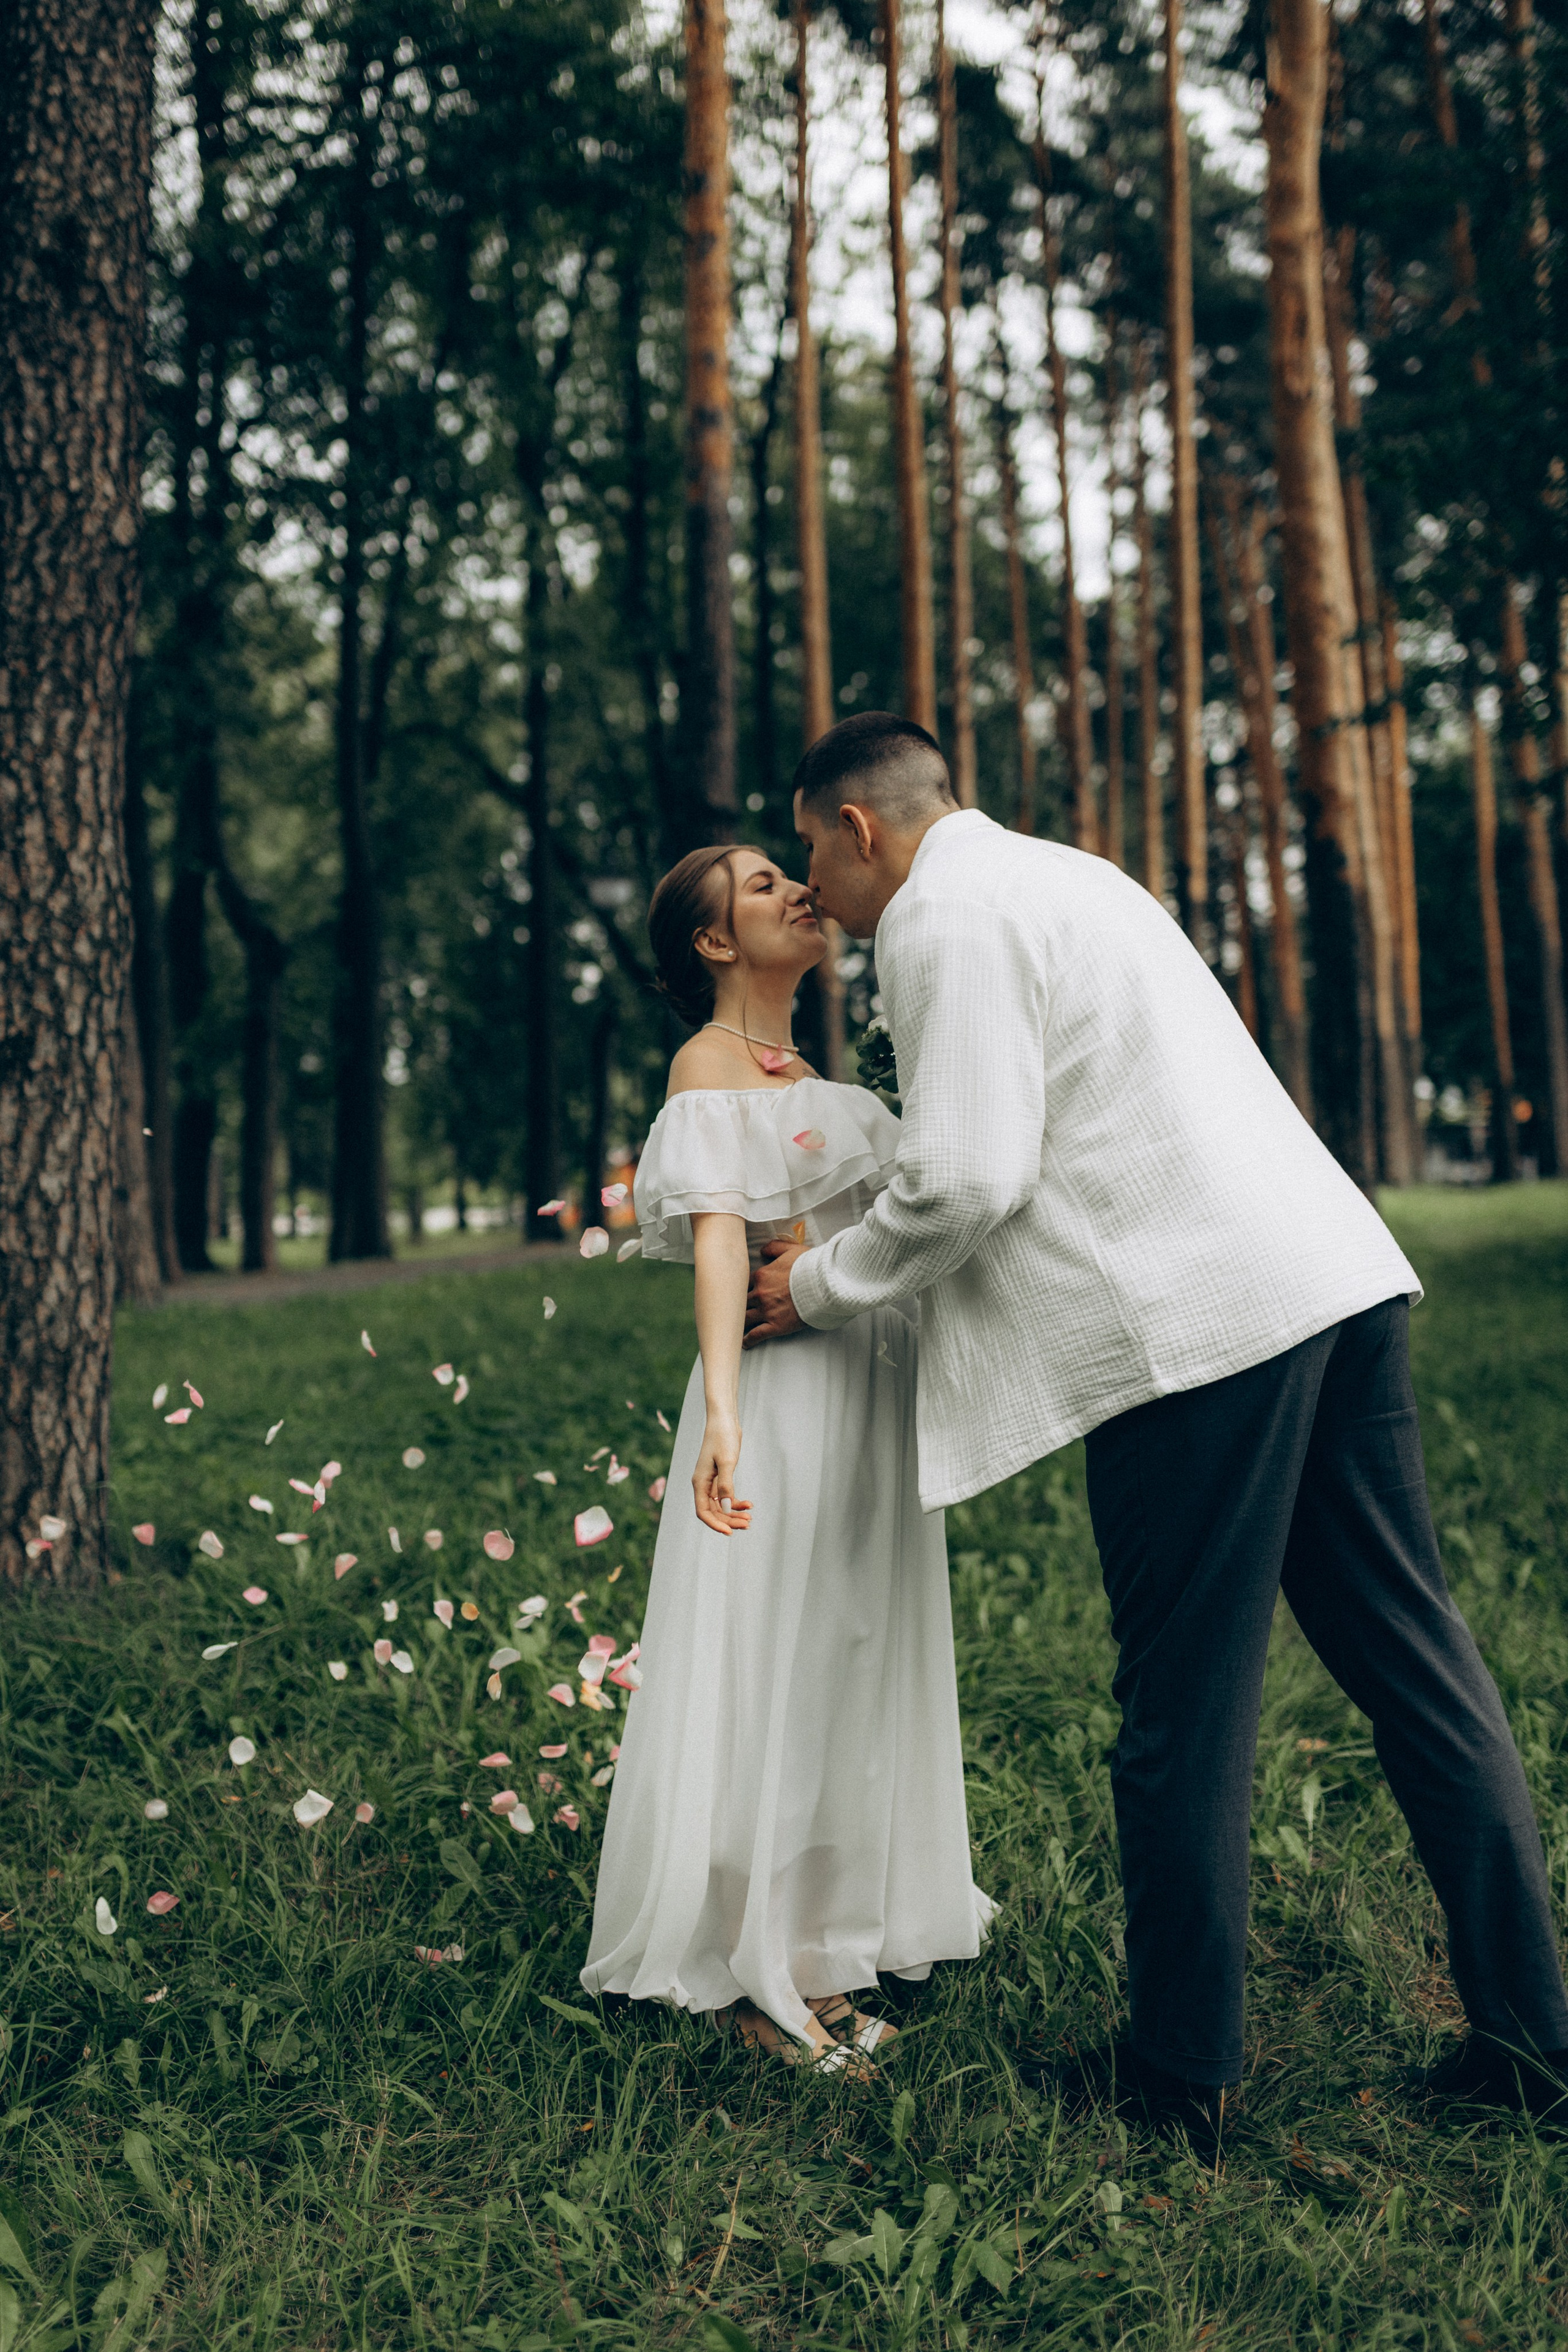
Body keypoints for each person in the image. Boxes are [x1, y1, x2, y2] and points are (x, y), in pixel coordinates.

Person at [744, 709, 1568, 2133]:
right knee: (1418, 1667)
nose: (812, 879)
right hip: (1330, 1276)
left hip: (1200, 1336)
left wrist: (813, 1286)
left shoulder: (939, 920)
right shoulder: (1068, 875)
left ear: (857, 825)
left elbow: (969, 1175)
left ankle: (1179, 2078)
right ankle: (1533, 2045)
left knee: (1181, 1715)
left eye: (811, 843)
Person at [580, 840, 993, 2071]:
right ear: (715, 943)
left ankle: (823, 1936)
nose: (795, 891)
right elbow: (720, 1245)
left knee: (845, 1649)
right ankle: (756, 1972)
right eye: (761, 886)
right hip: (778, 1398)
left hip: (863, 1391)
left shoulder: (813, 1070)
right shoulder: (707, 1066)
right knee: (773, 1660)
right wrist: (720, 1413)